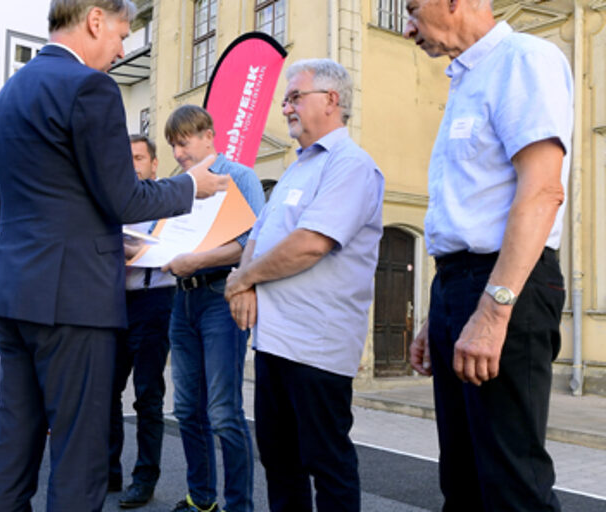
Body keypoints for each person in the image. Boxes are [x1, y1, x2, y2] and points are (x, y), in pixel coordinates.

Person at [0, 1, 227, 511]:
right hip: (75, 302)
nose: (121, 48)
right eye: (121, 33)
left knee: (11, 445)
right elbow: (124, 199)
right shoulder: (89, 87)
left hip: (14, 296)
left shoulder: (9, 93)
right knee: (79, 454)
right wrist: (189, 185)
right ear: (95, 20)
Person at [403, 0, 573, 509]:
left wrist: (492, 311)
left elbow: (542, 191)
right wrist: (442, 312)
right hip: (461, 282)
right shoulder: (464, 82)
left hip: (507, 285)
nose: (408, 26)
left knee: (509, 484)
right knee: (463, 478)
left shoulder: (524, 60)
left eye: (411, 9)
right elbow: (469, 211)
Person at [224, 59, 384, 512]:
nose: (285, 107)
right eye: (285, 99)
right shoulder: (297, 168)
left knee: (326, 464)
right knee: (280, 462)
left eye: (295, 96)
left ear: (331, 100)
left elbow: (310, 243)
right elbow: (259, 236)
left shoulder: (351, 166)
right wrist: (246, 285)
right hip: (275, 341)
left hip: (317, 346)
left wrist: (241, 279)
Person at [161, 105, 264, 512]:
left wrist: (196, 262)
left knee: (223, 411)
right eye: (172, 146)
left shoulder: (240, 177)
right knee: (187, 409)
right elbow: (165, 241)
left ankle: (239, 505)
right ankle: (202, 498)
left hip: (222, 298)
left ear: (208, 135)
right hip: (181, 299)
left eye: (183, 143)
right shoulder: (178, 184)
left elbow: (253, 241)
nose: (178, 153)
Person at [108, 134, 175, 508]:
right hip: (113, 303)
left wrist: (140, 250)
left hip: (154, 301)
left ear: (153, 164)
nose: (132, 164)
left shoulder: (168, 204)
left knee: (148, 396)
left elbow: (178, 249)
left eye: (138, 157)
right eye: (126, 157)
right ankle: (109, 470)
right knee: (107, 392)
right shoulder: (114, 203)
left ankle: (145, 478)